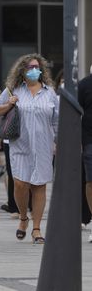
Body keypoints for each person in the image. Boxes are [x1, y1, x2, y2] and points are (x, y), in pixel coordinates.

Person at [0, 53, 58, 245]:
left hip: (44, 146)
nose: (34, 70)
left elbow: (56, 120)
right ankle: (22, 217)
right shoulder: (13, 90)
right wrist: (9, 104)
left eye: (37, 67)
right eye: (29, 67)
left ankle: (36, 228)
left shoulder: (50, 92)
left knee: (39, 186)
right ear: (22, 70)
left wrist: (58, 143)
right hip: (20, 144)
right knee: (20, 184)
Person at [78, 65, 92, 243]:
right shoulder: (84, 85)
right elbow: (75, 113)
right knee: (90, 180)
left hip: (88, 140)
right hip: (89, 139)